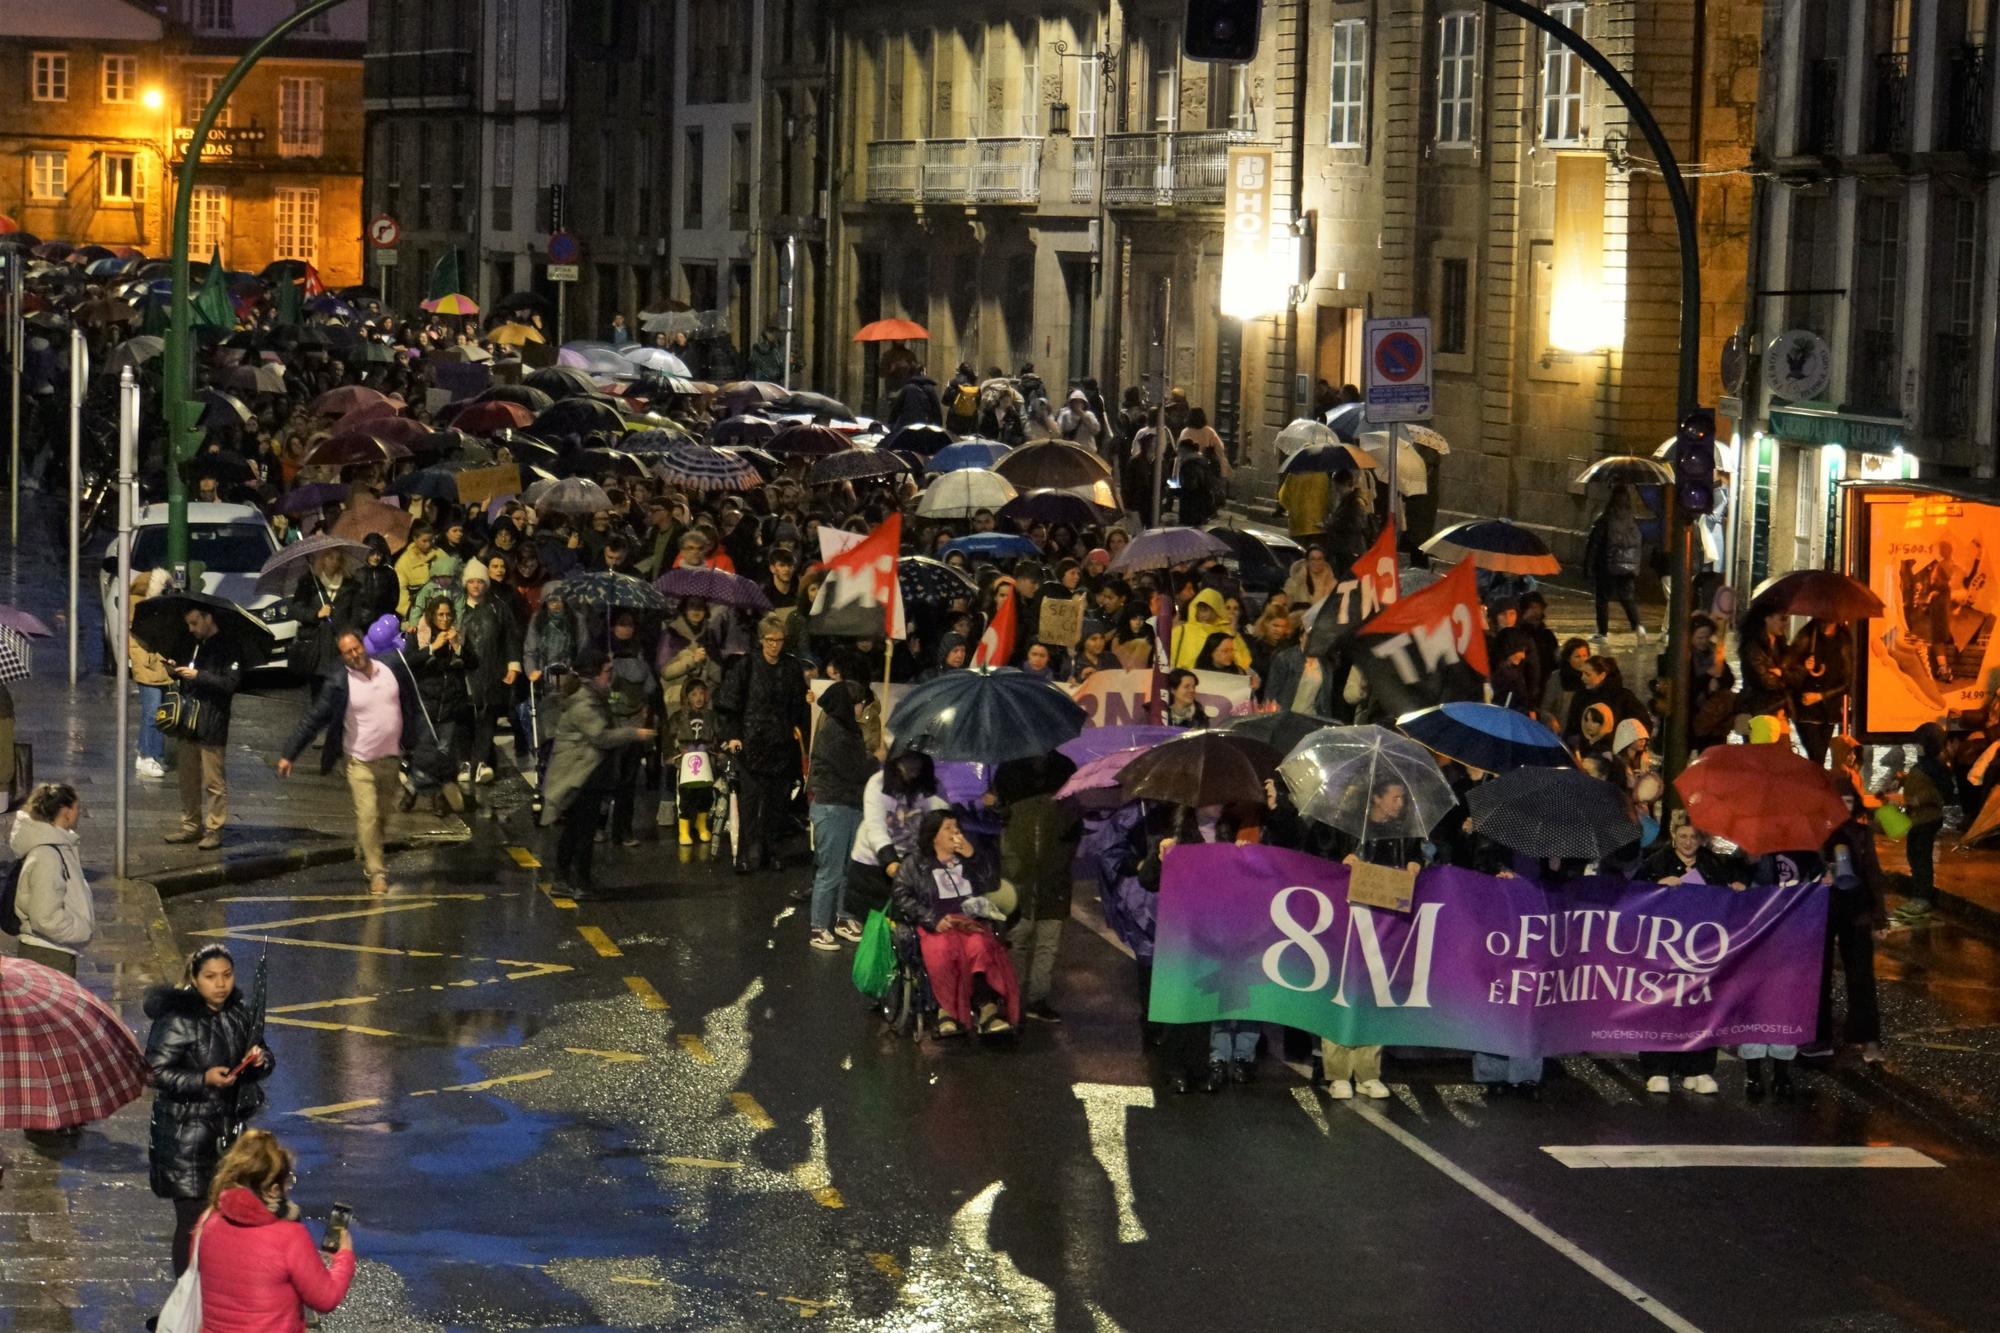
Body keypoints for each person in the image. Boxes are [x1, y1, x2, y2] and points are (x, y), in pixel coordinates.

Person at [145, 943, 275, 1276]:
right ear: (195, 978)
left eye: (227, 975)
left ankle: (213, 1292)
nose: (220, 984)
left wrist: (259, 1061)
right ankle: (186, 1296)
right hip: (184, 1137)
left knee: (223, 1220)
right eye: (211, 977)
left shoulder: (238, 1013)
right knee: (192, 1222)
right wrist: (203, 1078)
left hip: (226, 1136)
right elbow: (153, 1072)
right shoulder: (178, 1019)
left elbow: (263, 1058)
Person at [278, 630, 425, 895]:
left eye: (356, 648)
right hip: (359, 762)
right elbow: (314, 718)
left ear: (364, 646)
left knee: (382, 816)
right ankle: (377, 872)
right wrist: (289, 754)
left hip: (391, 759)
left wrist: (417, 740)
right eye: (347, 652)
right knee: (367, 815)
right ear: (342, 657)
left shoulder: (390, 669)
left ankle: (366, 846)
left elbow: (411, 703)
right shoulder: (339, 683)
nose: (354, 655)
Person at [193, 1129, 356, 1330]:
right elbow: (326, 1298)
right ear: (273, 1189)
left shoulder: (208, 1223)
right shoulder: (289, 1237)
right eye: (287, 1181)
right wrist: (344, 1257)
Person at [1636, 819, 1742, 1095]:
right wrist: (1657, 886)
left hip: (1703, 950)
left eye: (1693, 837)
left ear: (1701, 840)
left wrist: (1734, 890)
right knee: (1661, 1006)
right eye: (1683, 836)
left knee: (1702, 1006)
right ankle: (1658, 1069)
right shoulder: (1655, 862)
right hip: (1664, 950)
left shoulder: (1713, 864)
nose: (1688, 842)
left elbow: (1727, 898)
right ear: (1674, 835)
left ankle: (1698, 1068)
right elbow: (1634, 897)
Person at [891, 810, 1020, 1038]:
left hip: (967, 922)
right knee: (942, 951)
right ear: (934, 836)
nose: (956, 832)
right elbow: (901, 895)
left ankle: (986, 1008)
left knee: (980, 947)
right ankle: (945, 1010)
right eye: (948, 828)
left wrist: (973, 857)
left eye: (957, 827)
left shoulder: (966, 860)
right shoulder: (915, 863)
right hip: (936, 923)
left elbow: (991, 884)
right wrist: (932, 919)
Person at [539, 650, 656, 897]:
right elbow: (600, 736)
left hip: (586, 774)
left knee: (577, 829)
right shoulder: (584, 701)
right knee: (582, 830)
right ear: (593, 674)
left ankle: (568, 880)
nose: (610, 676)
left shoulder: (592, 696)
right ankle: (577, 882)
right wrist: (635, 733)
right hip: (580, 776)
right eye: (607, 671)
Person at [719, 615, 811, 874]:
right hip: (750, 744)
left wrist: (806, 703)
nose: (774, 645)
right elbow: (729, 702)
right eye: (770, 640)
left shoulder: (791, 668)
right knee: (749, 803)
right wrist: (733, 735)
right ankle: (745, 854)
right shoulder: (747, 665)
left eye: (779, 640)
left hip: (780, 745)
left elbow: (798, 704)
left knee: (776, 804)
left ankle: (771, 851)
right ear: (761, 640)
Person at [997, 757, 1083, 1023]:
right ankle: (1012, 996)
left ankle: (1038, 998)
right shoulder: (1009, 771)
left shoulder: (1064, 768)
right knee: (1017, 939)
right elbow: (1000, 824)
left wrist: (1062, 860)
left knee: (1048, 941)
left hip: (1053, 877)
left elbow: (1074, 827)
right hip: (1019, 877)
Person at [163, 606, 241, 852]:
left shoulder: (228, 646)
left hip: (212, 722)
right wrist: (174, 670)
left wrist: (198, 675)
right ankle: (190, 824)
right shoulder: (190, 643)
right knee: (187, 778)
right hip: (188, 721)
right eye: (189, 623)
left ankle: (214, 828)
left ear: (209, 618)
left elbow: (230, 683)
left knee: (213, 780)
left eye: (195, 623)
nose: (191, 628)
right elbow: (185, 677)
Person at [806, 679, 876, 951]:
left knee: (848, 868)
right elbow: (854, 770)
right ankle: (818, 927)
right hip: (833, 807)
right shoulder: (835, 733)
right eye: (859, 704)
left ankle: (843, 917)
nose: (861, 708)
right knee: (831, 871)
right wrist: (877, 759)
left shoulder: (849, 730)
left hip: (849, 806)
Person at [10, 782, 92, 976]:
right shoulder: (46, 856)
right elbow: (45, 918)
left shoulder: (56, 847)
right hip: (49, 955)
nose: (79, 813)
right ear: (66, 812)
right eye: (77, 808)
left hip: (53, 950)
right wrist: (81, 930)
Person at [458, 567, 522, 786]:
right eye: (472, 581)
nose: (476, 585)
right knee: (466, 719)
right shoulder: (457, 608)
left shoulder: (498, 608)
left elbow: (510, 637)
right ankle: (467, 762)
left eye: (480, 581)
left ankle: (481, 762)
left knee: (488, 716)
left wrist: (513, 665)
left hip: (492, 671)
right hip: (464, 674)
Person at [1888, 721, 1951, 924]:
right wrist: (1905, 779)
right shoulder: (1925, 764)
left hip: (1927, 820)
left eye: (1919, 744)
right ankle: (1917, 895)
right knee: (1914, 855)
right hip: (1918, 819)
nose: (1916, 747)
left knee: (1921, 857)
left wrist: (1912, 800)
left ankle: (1922, 898)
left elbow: (1938, 795)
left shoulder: (1936, 768)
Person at [1583, 486, 1646, 642]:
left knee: (1602, 599)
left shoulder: (1605, 520)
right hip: (1628, 567)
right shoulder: (1632, 521)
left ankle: (1602, 633)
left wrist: (1588, 566)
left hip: (1607, 566)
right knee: (1627, 597)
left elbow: (1594, 544)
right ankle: (1638, 627)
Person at [131, 570, 173, 779]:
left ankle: (148, 752)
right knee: (153, 712)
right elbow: (140, 637)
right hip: (148, 664)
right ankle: (150, 755)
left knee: (158, 711)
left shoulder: (155, 606)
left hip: (158, 665)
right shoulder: (138, 606)